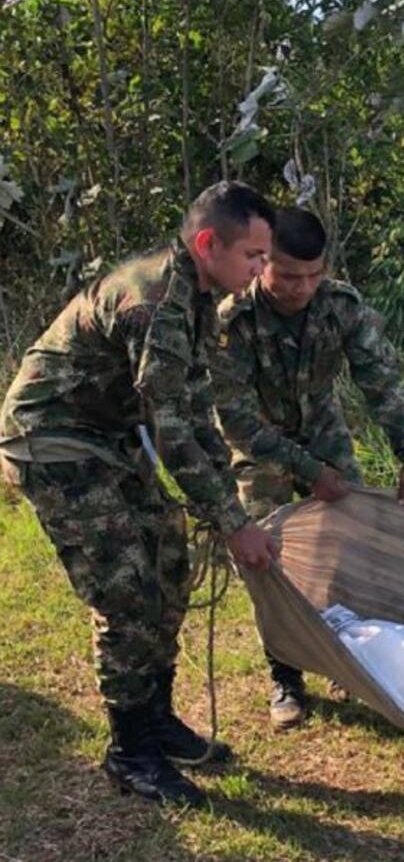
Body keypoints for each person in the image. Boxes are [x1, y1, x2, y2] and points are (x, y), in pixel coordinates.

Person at [0, 181, 280, 806]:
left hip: (107, 435)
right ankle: (130, 751)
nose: (264, 270)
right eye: (254, 257)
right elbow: (172, 432)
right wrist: (235, 522)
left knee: (169, 560)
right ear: (209, 243)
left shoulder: (200, 293)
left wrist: (226, 504)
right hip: (54, 440)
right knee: (128, 586)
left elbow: (192, 409)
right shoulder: (154, 301)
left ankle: (154, 717)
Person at [211, 206, 404, 728]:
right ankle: (285, 675)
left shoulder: (340, 306)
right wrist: (306, 471)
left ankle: (342, 657)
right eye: (288, 275)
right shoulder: (231, 319)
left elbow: (382, 383)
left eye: (314, 274)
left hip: (323, 435)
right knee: (267, 560)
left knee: (345, 549)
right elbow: (236, 419)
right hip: (259, 447)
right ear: (262, 262)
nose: (302, 287)